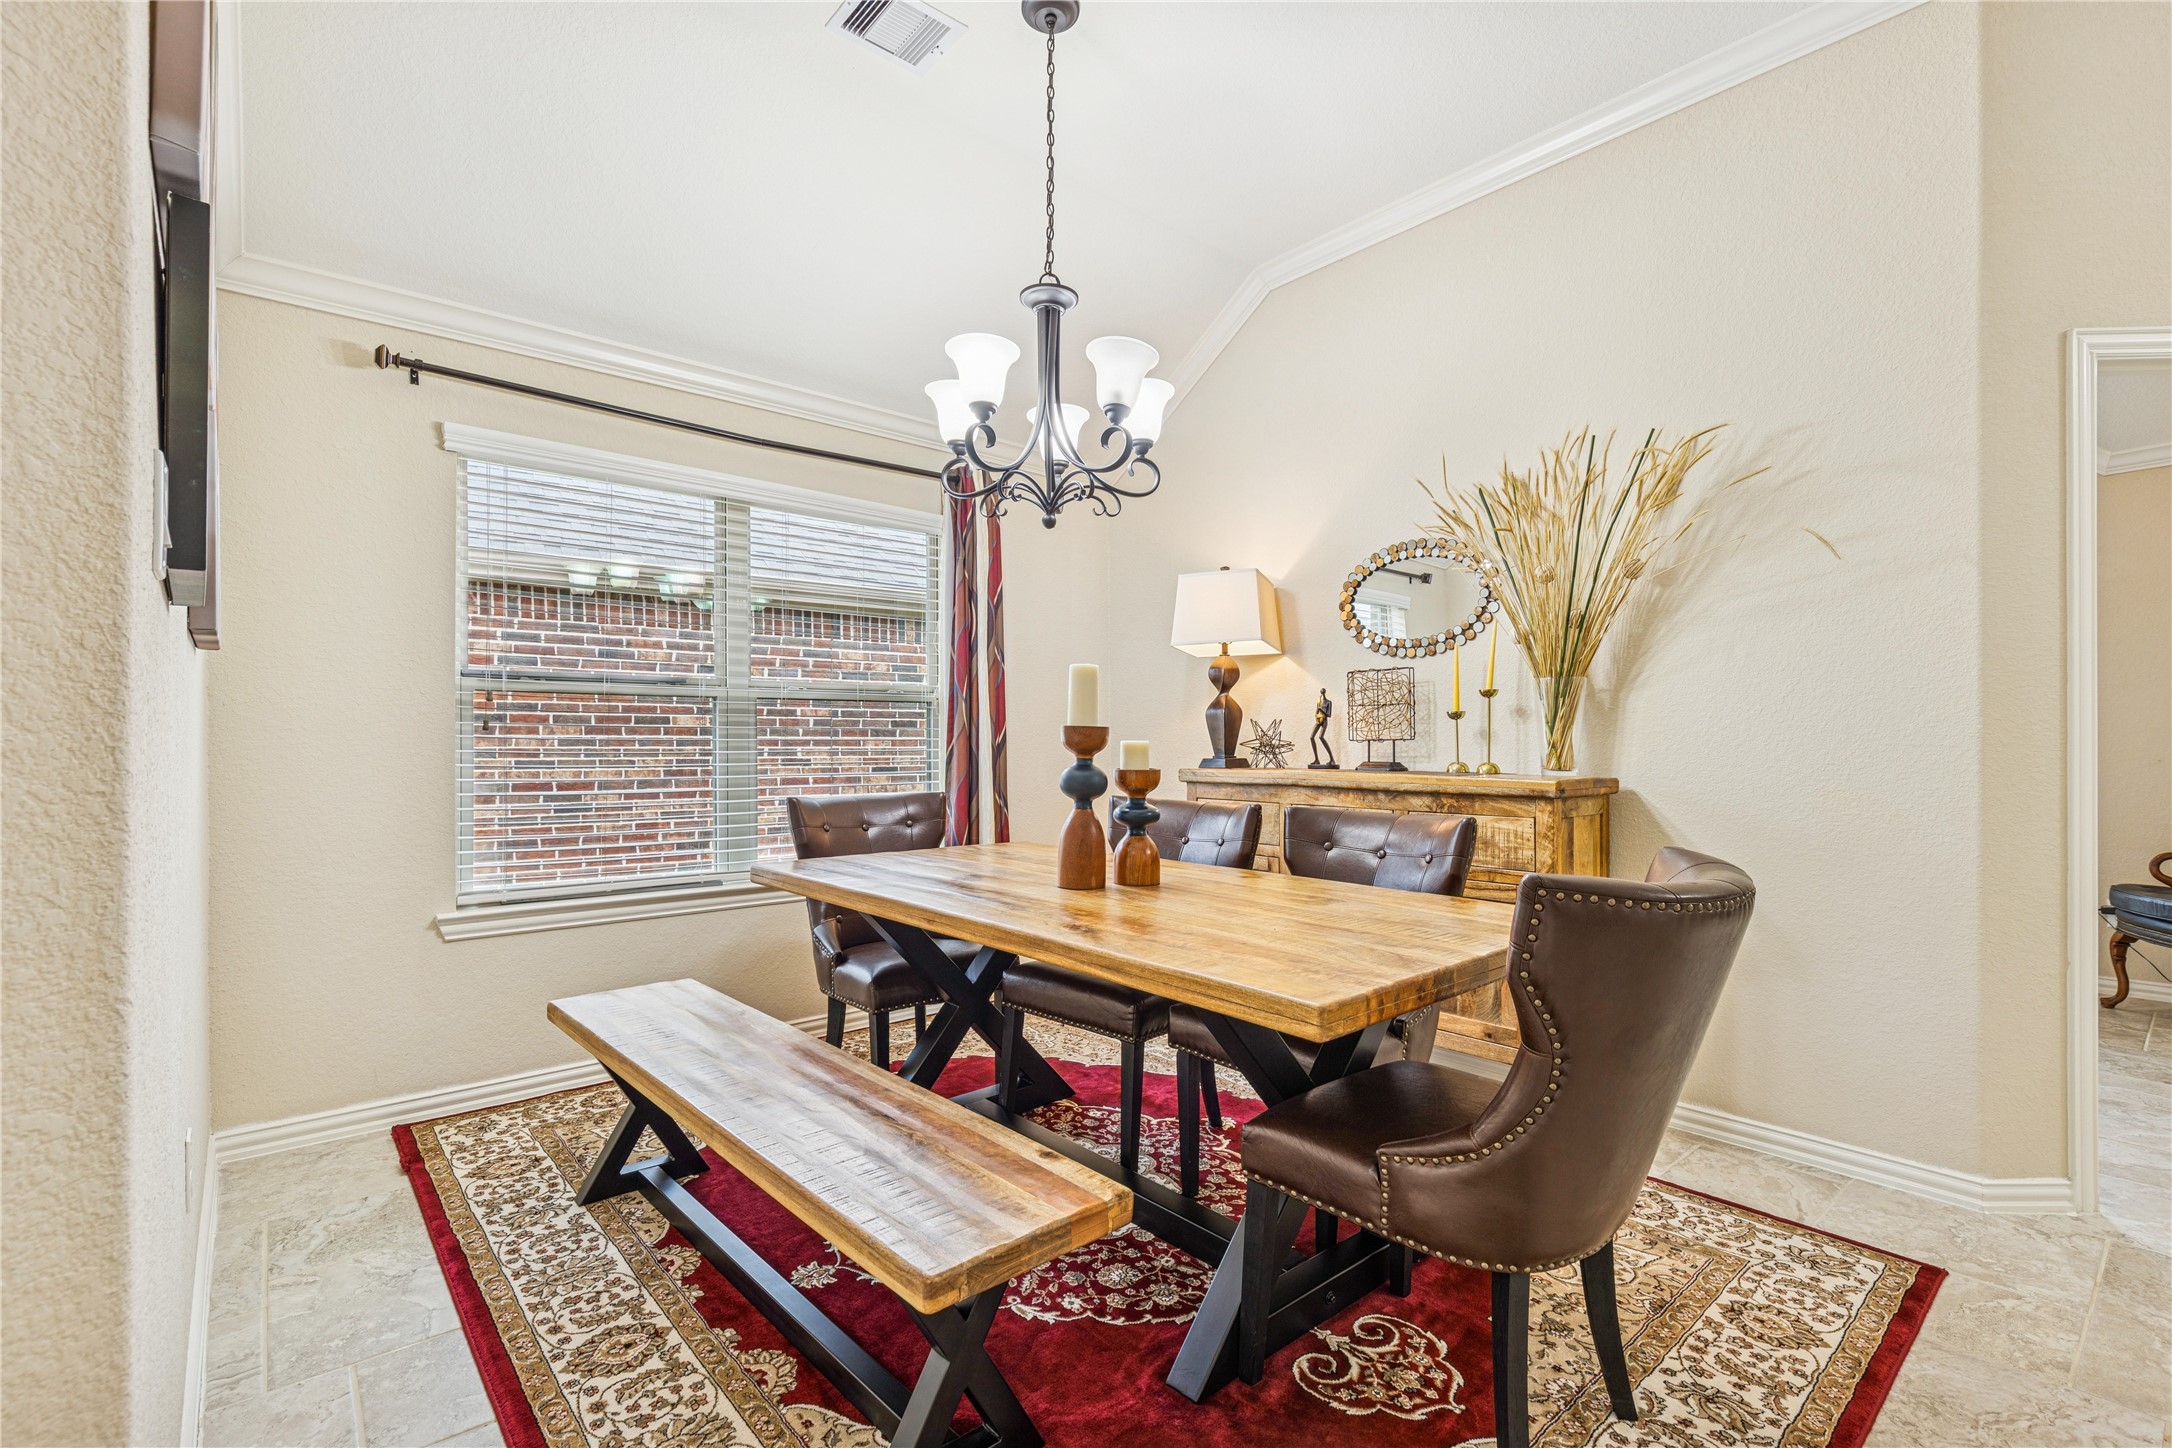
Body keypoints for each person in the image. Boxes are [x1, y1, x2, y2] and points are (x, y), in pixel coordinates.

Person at [1308, 687, 1336, 768]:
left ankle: (1332, 759)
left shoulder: (1328, 702)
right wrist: (1317, 716)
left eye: (1323, 691)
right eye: (1321, 691)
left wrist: (1321, 710)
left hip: (1324, 721)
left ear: (1325, 692)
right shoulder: (1319, 702)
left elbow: (1329, 715)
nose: (1322, 692)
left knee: (1321, 737)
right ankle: (1316, 759)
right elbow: (1316, 712)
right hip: (1318, 721)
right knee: (1311, 737)